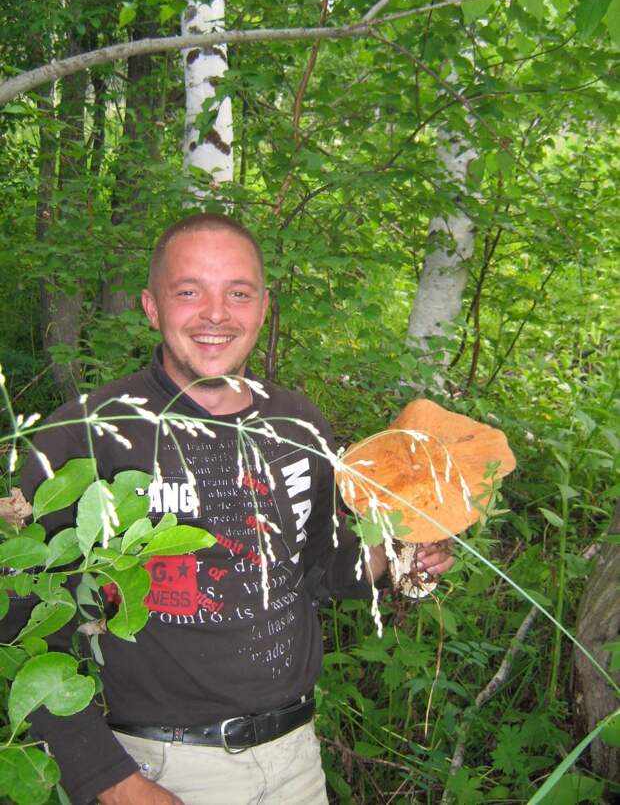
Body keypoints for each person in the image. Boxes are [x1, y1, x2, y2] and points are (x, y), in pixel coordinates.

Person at [11, 214, 454, 805]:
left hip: (296, 761)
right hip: (159, 766)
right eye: (189, 292)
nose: (216, 314)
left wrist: (396, 557)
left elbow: (315, 567)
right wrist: (112, 783)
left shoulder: (298, 423)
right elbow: (19, 625)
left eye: (238, 293)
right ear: (151, 307)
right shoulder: (85, 434)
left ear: (264, 307)